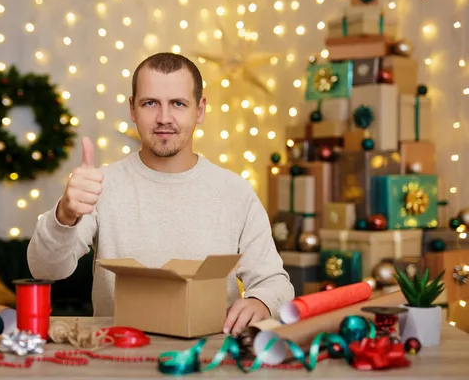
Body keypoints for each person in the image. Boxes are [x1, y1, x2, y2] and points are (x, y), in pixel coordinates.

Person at [27, 52, 294, 336]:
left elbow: (276, 283)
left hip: (211, 360)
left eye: (178, 103)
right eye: (150, 103)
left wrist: (260, 300)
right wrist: (65, 214)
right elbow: (45, 270)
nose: (164, 118)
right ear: (132, 109)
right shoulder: (100, 185)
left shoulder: (235, 192)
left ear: (200, 110)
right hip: (117, 357)